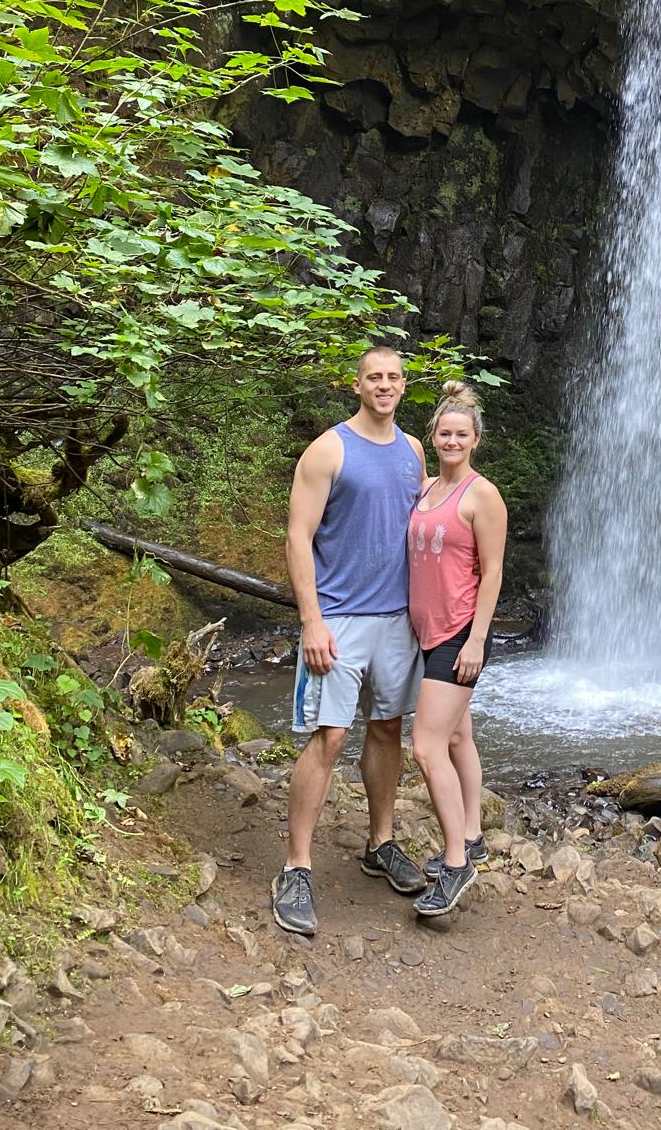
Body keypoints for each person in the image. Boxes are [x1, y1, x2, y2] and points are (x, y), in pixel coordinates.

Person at [272, 345, 429, 936]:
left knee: (389, 727)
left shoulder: (414, 450)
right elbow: (297, 537)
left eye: (393, 377)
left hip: (398, 618)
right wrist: (312, 620)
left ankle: (380, 843)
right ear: (357, 385)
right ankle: (297, 867)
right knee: (330, 736)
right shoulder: (328, 449)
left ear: (403, 385)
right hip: (339, 618)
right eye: (374, 377)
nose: (384, 385)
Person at [407, 380, 508, 918]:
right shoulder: (425, 488)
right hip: (426, 631)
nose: (451, 440)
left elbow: (491, 573)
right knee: (457, 736)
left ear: (475, 440)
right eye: (444, 432)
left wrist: (475, 639)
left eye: (460, 434)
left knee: (426, 746)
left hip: (459, 634)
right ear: (436, 436)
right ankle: (469, 834)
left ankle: (454, 864)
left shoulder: (482, 494)